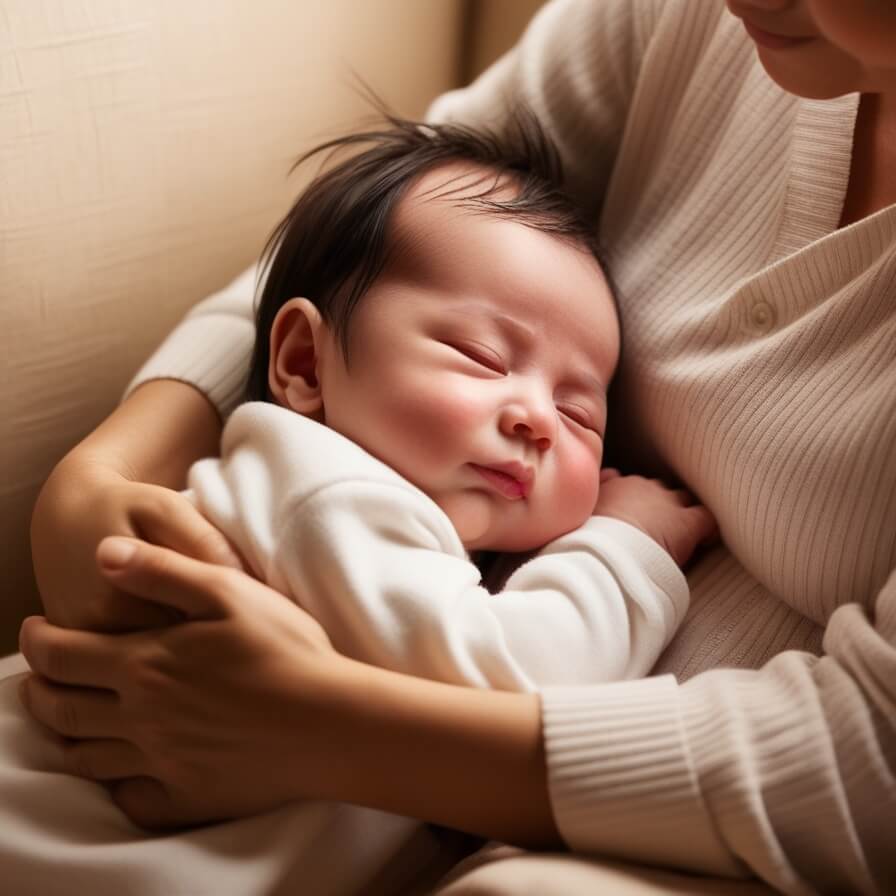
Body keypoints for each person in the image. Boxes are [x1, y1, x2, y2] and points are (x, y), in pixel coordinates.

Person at [11, 0, 896, 893]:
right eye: (480, 357)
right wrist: (627, 545)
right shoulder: (327, 492)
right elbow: (511, 676)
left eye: (583, 414)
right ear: (304, 363)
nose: (536, 418)